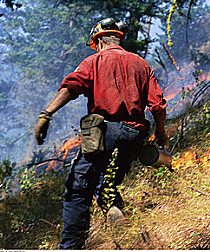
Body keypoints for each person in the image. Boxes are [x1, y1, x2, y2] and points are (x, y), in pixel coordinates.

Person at [33, 18, 168, 249]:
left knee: (77, 189)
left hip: (104, 132)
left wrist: (47, 113)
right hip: (134, 136)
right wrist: (162, 133)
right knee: (105, 183)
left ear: (99, 40)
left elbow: (72, 86)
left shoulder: (94, 61)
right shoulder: (141, 64)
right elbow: (157, 105)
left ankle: (71, 246)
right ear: (118, 38)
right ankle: (116, 215)